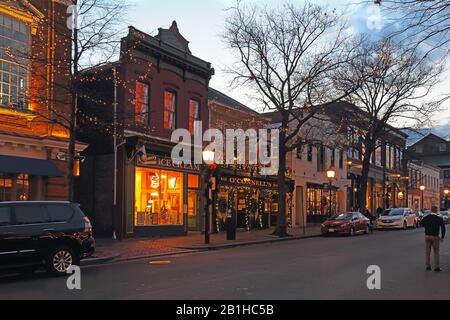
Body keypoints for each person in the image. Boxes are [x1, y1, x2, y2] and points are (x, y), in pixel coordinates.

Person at [421, 206, 446, 272]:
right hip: (435, 236)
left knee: (427, 252)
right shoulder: (439, 218)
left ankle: (428, 266)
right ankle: (436, 267)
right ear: (436, 211)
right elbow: (443, 228)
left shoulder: (426, 218)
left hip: (427, 236)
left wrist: (427, 227)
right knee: (436, 252)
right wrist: (442, 237)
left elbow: (421, 223)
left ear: (431, 210)